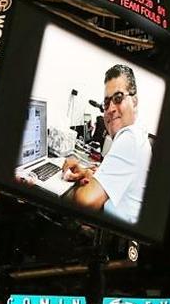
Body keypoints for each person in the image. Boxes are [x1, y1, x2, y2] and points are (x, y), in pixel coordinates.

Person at [60, 64, 151, 224]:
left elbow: (85, 203)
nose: (110, 109)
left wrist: (87, 178)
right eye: (106, 103)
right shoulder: (138, 136)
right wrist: (86, 171)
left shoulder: (130, 137)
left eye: (118, 98)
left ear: (134, 102)